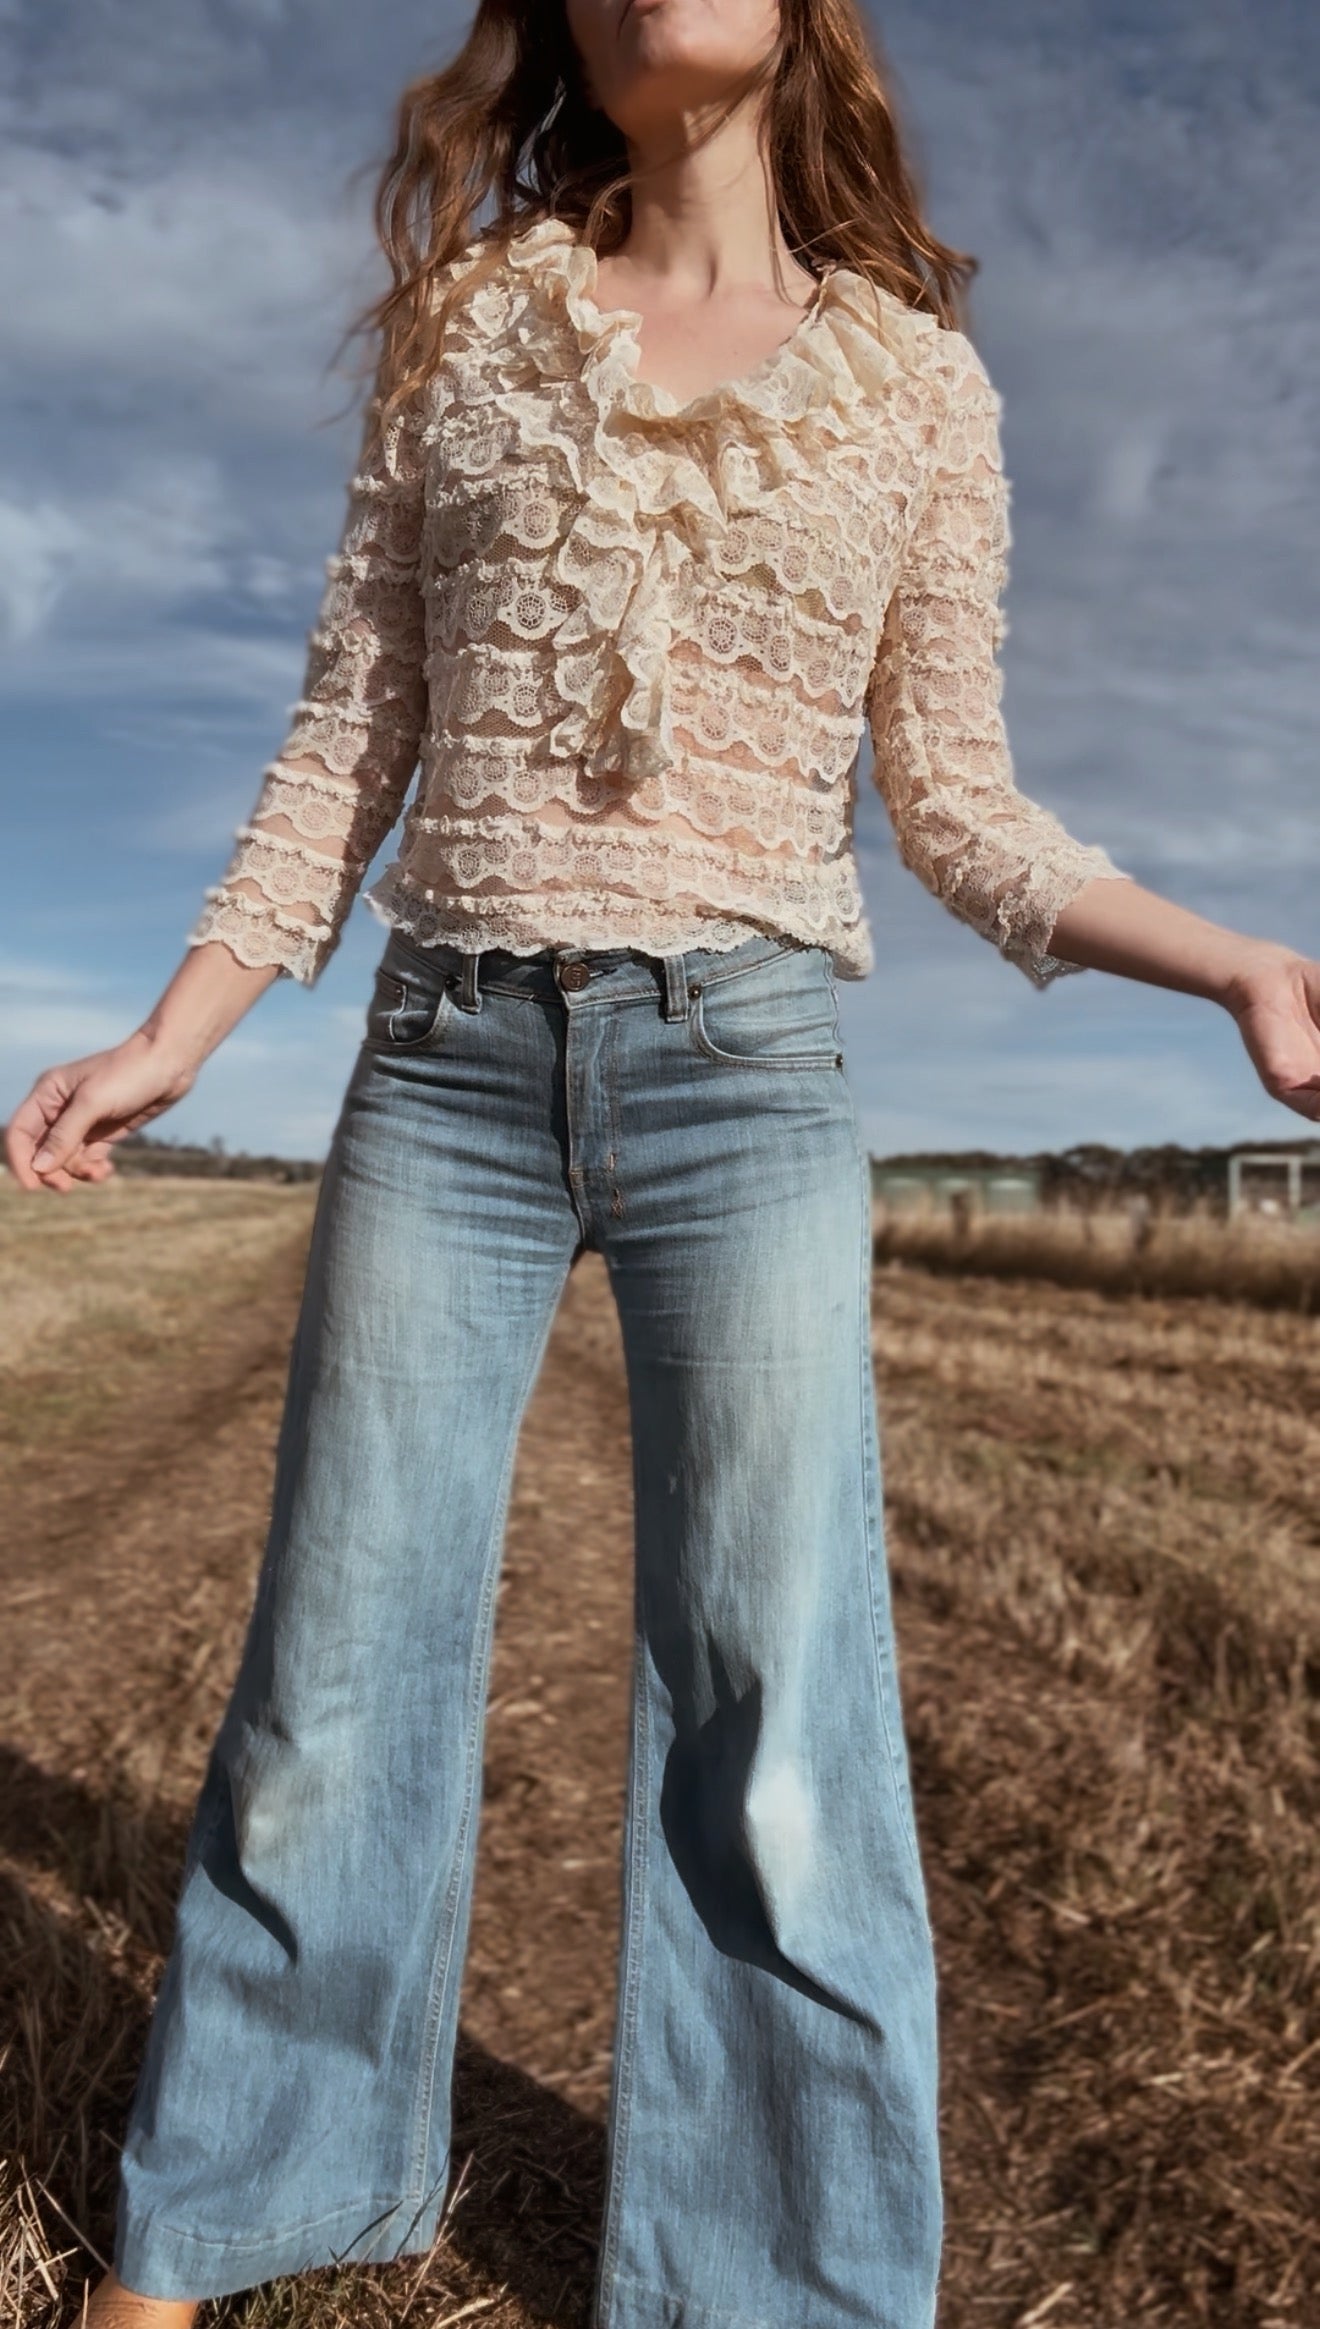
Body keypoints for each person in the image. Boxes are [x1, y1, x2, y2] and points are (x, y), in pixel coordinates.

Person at [8, 2, 1319, 2323]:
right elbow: (350, 738)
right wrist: (172, 1032)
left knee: (775, 1697)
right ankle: (225, 2201)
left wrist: (1228, 962)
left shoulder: (919, 388)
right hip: (446, 1062)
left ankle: (780, 2278)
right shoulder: (470, 324)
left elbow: (964, 807)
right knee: (339, 1666)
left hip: (746, 1065)